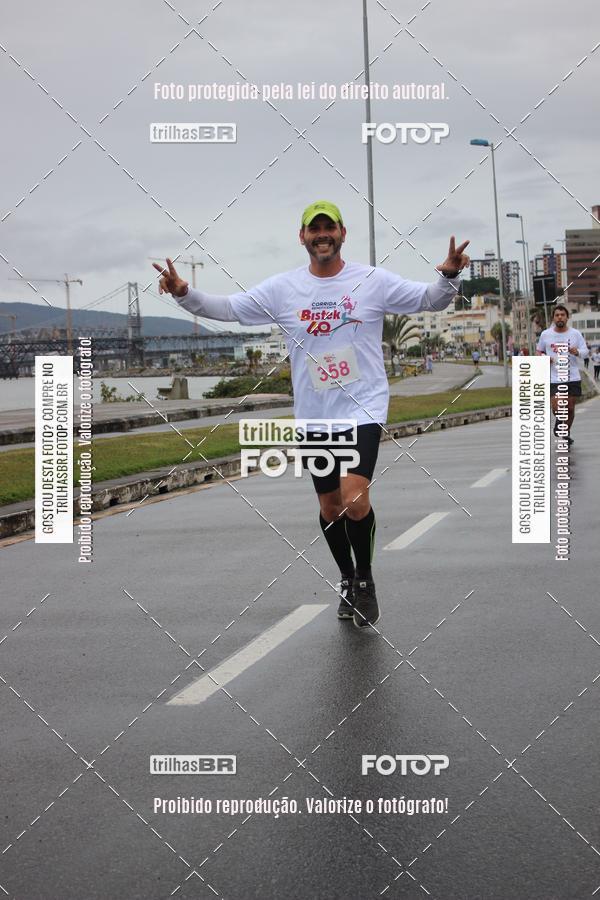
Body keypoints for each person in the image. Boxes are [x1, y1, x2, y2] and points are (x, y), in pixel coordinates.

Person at [154, 201, 469, 629]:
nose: (322, 235)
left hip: (363, 407)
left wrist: (448, 274)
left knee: (356, 497)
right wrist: (183, 293)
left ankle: (366, 581)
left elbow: (429, 301)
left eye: (329, 228)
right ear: (302, 237)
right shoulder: (284, 289)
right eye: (314, 229)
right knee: (331, 505)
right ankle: (346, 577)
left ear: (343, 234)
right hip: (315, 415)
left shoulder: (371, 281)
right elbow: (228, 309)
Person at [536, 305, 588, 446]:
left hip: (572, 376)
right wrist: (544, 358)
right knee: (557, 406)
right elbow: (539, 351)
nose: (560, 317)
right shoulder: (545, 335)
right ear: (553, 318)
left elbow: (585, 352)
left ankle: (566, 432)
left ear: (567, 317)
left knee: (570, 408)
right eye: (557, 315)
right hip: (554, 377)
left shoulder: (575, 334)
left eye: (562, 315)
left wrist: (576, 352)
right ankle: (560, 421)